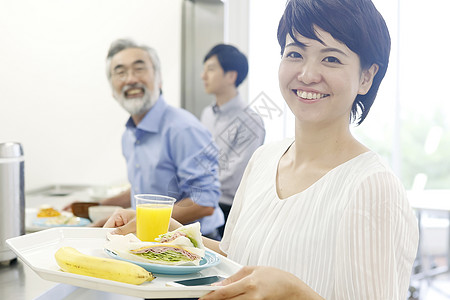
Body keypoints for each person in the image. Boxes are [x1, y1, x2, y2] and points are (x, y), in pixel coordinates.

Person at [104, 0, 419, 299]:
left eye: (331, 58)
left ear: (366, 76)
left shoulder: (373, 187)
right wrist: (173, 230)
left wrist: (294, 294)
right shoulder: (265, 160)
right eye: (295, 53)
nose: (307, 74)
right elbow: (236, 260)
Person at [84, 38, 223, 239]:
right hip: (149, 240)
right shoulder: (129, 135)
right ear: (112, 90)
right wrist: (98, 208)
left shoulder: (183, 128)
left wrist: (142, 219)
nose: (130, 79)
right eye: (120, 72)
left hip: (195, 245)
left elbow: (204, 202)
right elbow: (145, 187)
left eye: (139, 69)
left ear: (159, 80)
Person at [200, 44, 265, 236]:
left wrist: (196, 187)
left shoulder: (250, 120)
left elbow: (234, 176)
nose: (203, 76)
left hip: (228, 209)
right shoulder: (207, 114)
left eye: (210, 69)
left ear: (231, 76)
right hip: (201, 201)